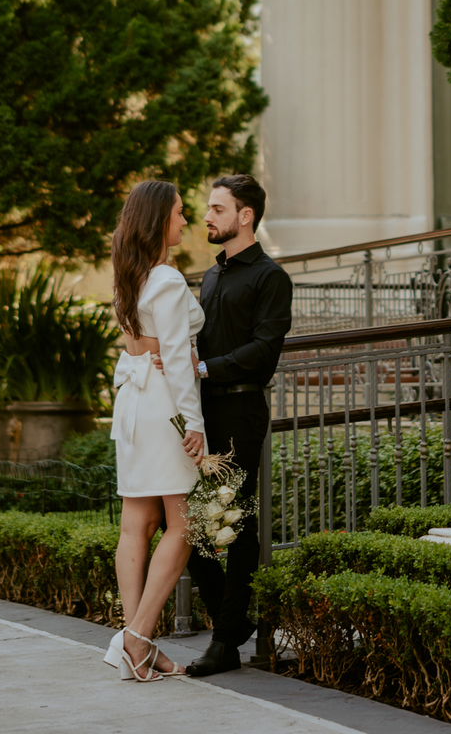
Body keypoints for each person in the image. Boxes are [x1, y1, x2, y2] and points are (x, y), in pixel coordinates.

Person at [183, 173, 293, 678]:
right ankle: (235, 621)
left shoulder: (271, 277)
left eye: (217, 209)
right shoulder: (210, 276)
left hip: (241, 411)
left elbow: (263, 351)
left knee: (233, 523)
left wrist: (205, 368)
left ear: (244, 216)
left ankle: (225, 642)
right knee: (189, 524)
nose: (207, 217)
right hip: (202, 414)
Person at [104, 179, 205, 682]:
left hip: (134, 404)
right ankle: (137, 638)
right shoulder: (164, 279)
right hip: (164, 405)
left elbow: (153, 350)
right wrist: (196, 424)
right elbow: (179, 366)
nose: (186, 220)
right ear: (158, 218)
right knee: (185, 524)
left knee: (135, 525)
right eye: (181, 213)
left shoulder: (130, 275)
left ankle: (139, 649)